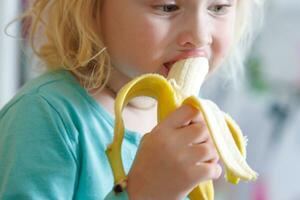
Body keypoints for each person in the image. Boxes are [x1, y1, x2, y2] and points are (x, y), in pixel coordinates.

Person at [0, 0, 263, 199]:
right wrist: (140, 191)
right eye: (167, 7)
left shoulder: (187, 107)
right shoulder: (45, 117)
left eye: (218, 8)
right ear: (92, 8)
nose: (199, 36)